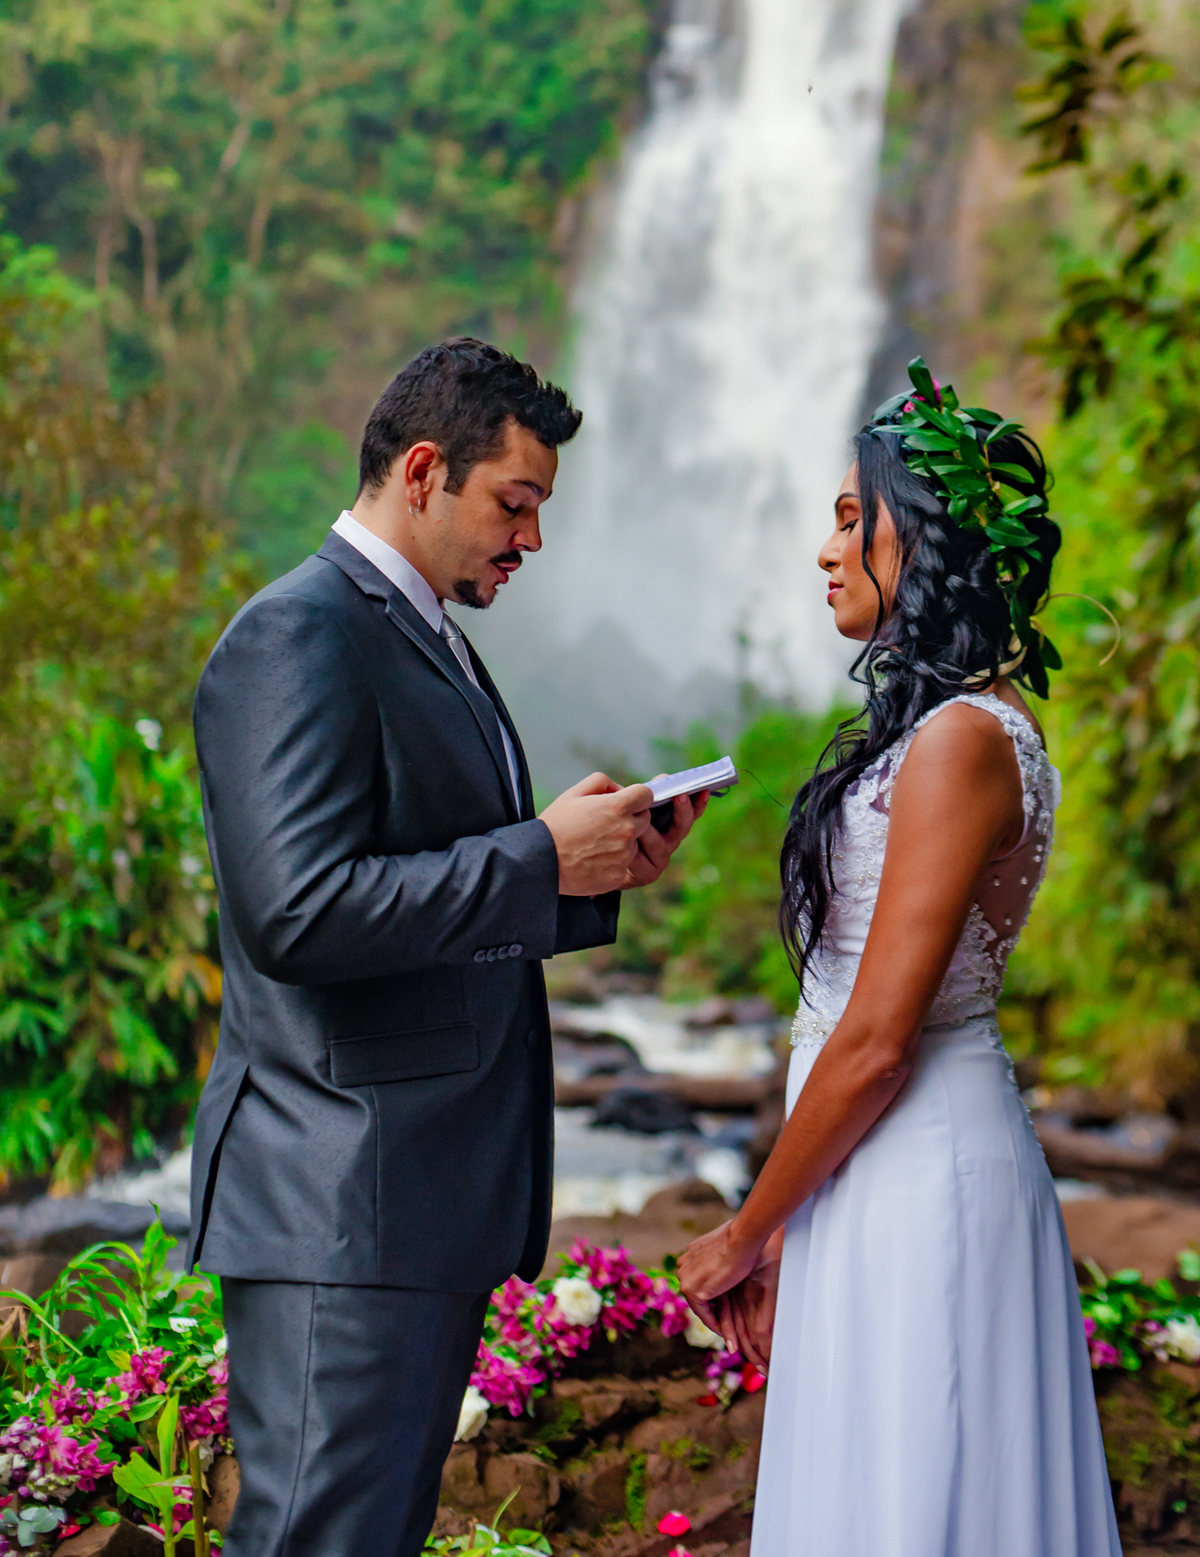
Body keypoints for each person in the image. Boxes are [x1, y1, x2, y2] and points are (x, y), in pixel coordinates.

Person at [188, 337, 706, 1557]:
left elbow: (418, 876)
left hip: (404, 1200)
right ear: (424, 469)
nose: (529, 540)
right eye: (515, 504)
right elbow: (297, 912)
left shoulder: (424, 634)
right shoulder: (300, 632)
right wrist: (535, 855)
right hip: (341, 1196)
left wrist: (587, 870)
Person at [677, 360, 1120, 1556]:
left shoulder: (963, 742)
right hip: (870, 1172)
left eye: (847, 520)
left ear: (917, 542)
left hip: (916, 1167)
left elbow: (874, 1044)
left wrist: (743, 1231)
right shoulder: (949, 729)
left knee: (922, 1494)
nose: (825, 551)